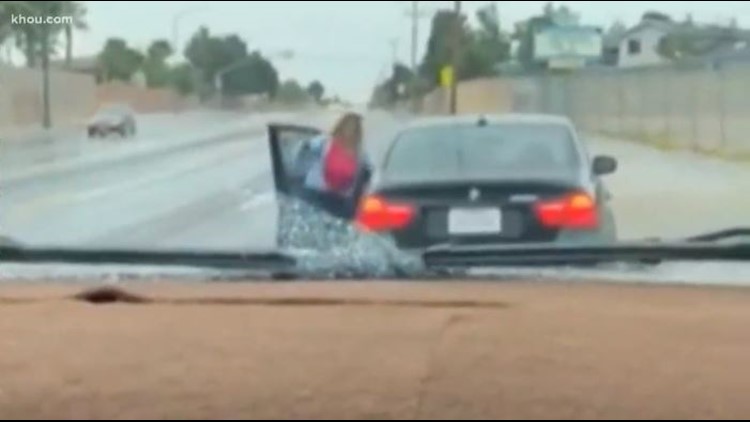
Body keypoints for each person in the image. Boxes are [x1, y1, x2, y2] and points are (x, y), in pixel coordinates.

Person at [290, 112, 372, 221]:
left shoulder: (361, 155)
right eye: (348, 125)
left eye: (353, 127)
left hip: (341, 203)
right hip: (316, 195)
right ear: (341, 126)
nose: (349, 131)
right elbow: (302, 155)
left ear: (358, 132)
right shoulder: (322, 142)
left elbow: (365, 179)